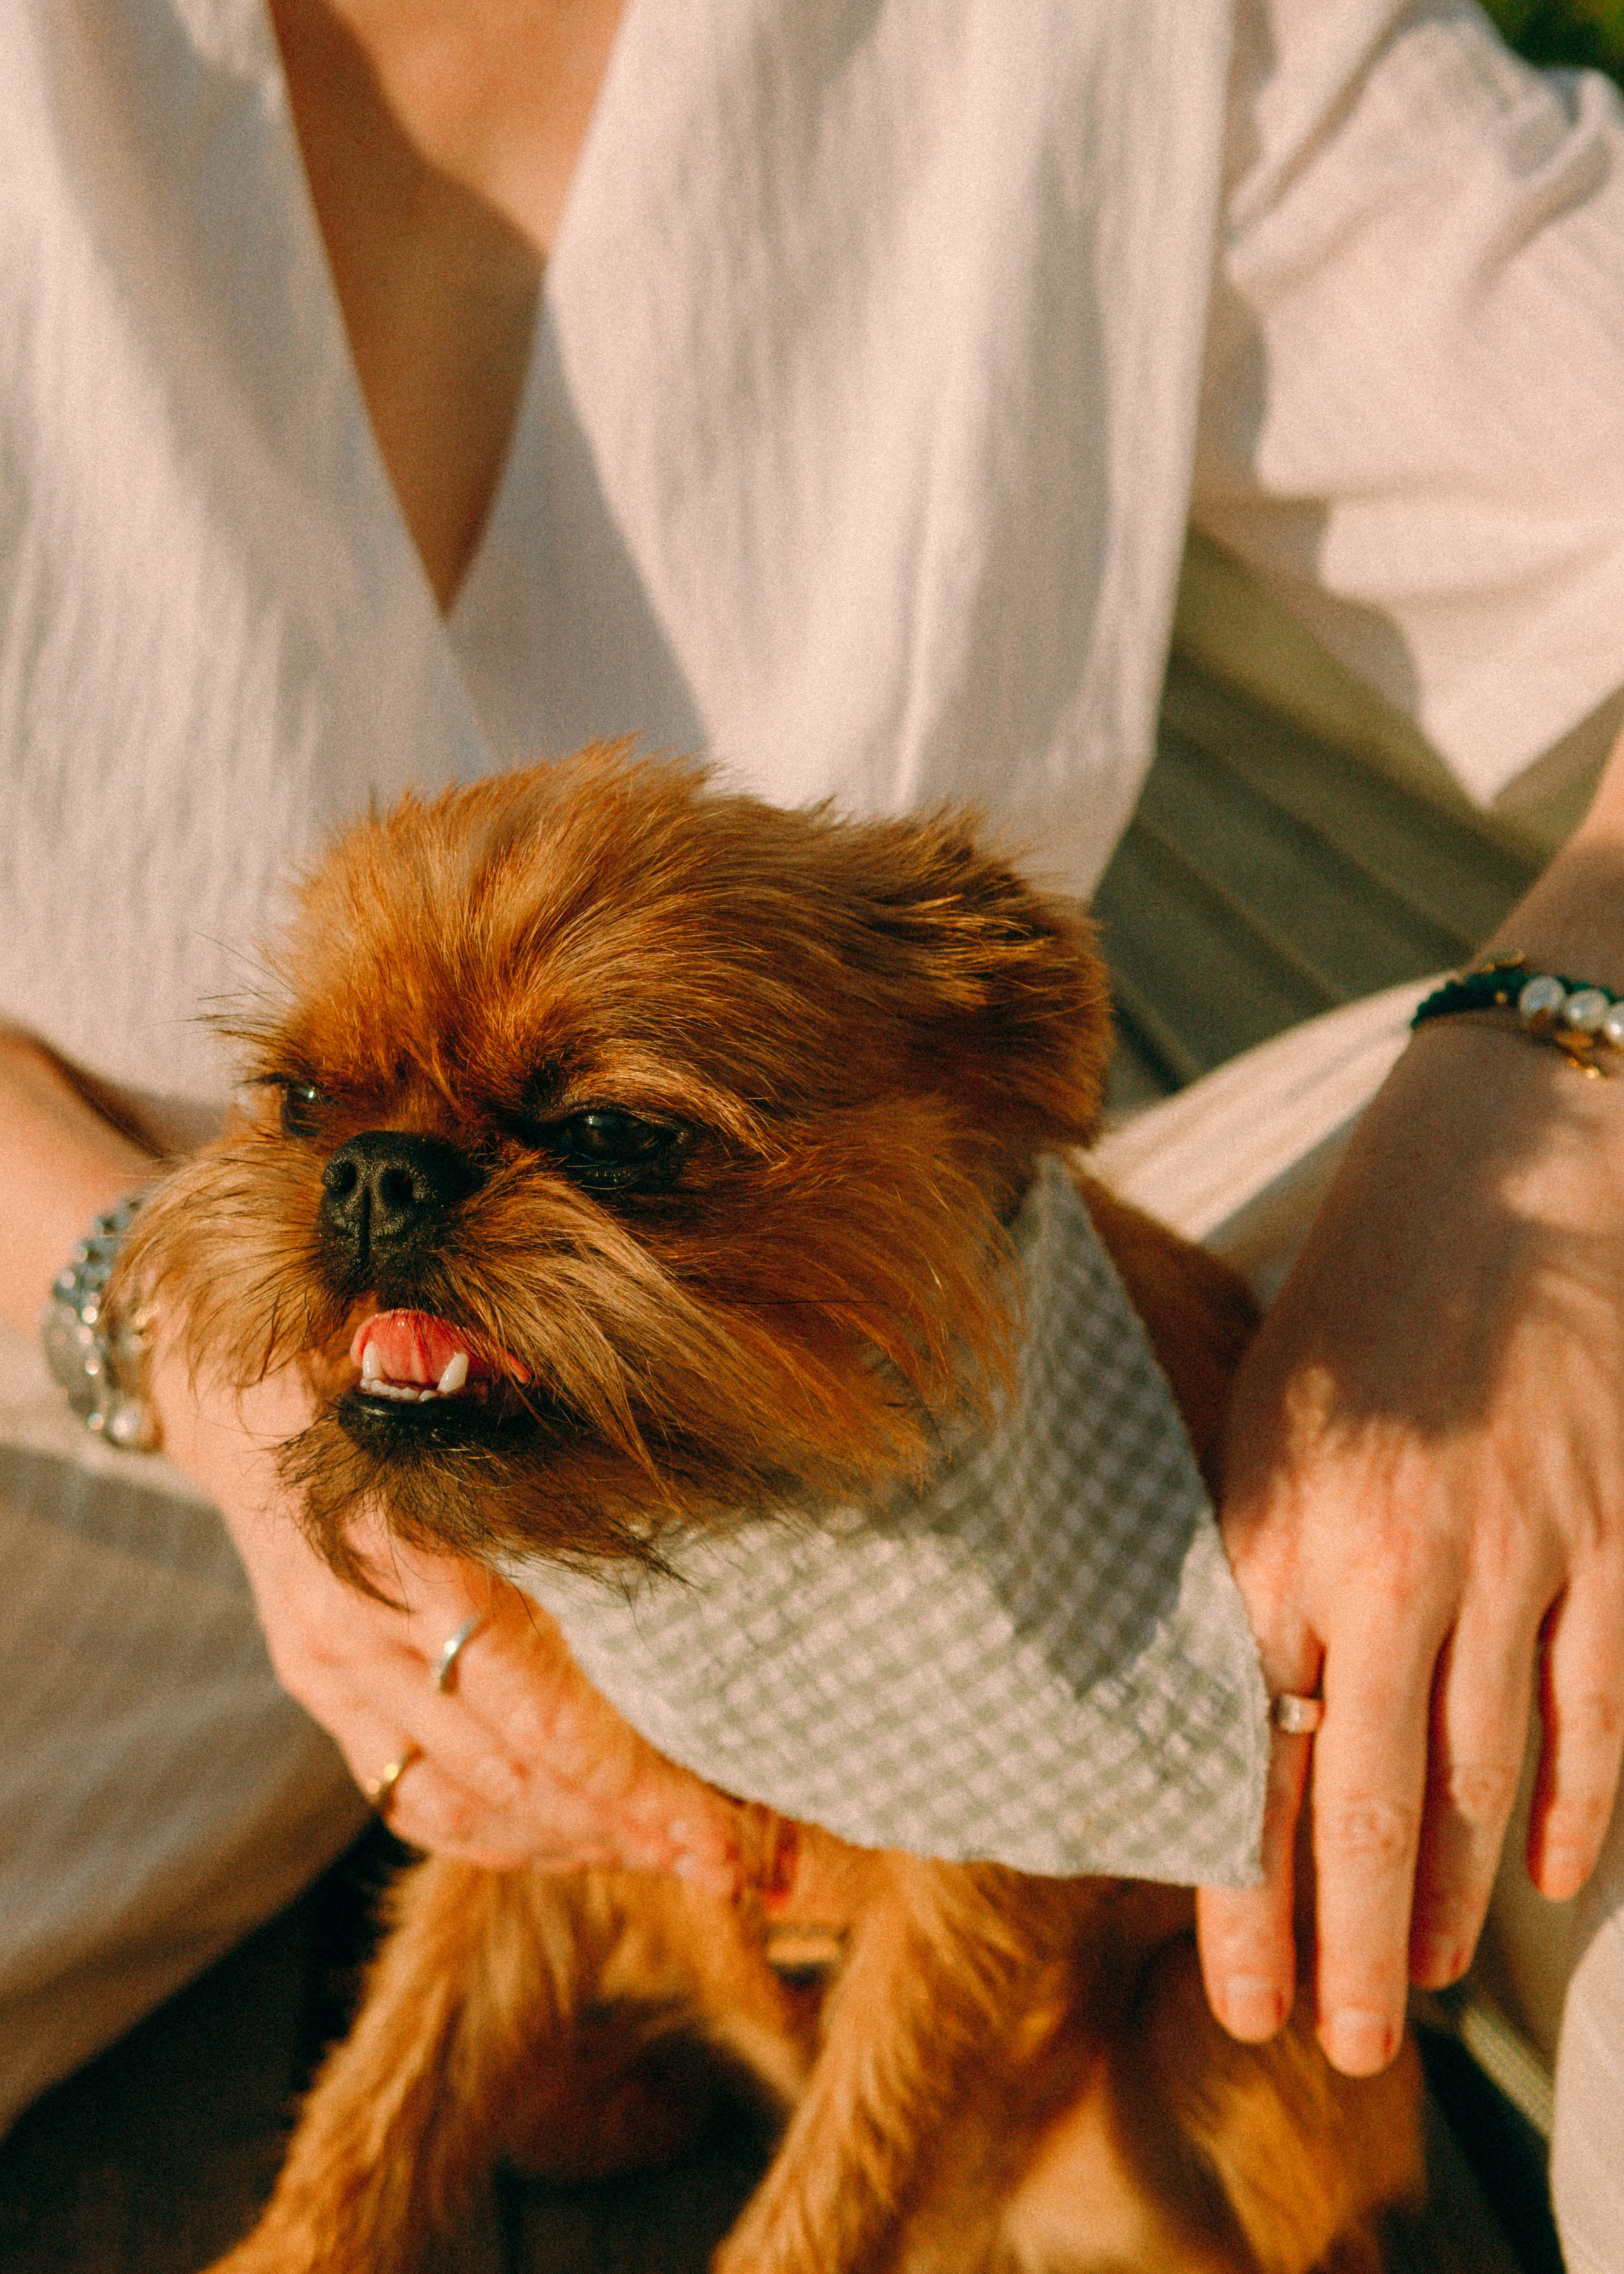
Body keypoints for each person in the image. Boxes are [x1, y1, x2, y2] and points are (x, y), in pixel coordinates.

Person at [3, 0, 1624, 2261]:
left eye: (621, 1139)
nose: (408, 1178)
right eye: (319, 1103)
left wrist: (1560, 1085)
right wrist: (123, 1288)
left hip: (956, 1330)